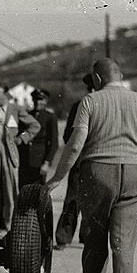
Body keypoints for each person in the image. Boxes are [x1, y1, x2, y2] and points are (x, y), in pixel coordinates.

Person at [46, 58, 137, 273]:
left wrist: (58, 177)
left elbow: (75, 145)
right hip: (133, 172)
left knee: (95, 237)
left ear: (96, 79)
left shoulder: (91, 101)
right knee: (124, 242)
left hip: (97, 173)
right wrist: (132, 163)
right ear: (121, 75)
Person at [0, 83, 40, 236]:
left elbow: (35, 125)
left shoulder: (16, 109)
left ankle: (10, 227)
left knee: (10, 190)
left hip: (9, 152)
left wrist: (22, 139)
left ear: (6, 95)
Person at [54, 74, 94, 249]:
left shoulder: (85, 105)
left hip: (91, 159)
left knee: (91, 200)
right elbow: (67, 135)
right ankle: (63, 238)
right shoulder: (79, 106)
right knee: (73, 198)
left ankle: (86, 236)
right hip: (82, 161)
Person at [19, 88, 59, 188]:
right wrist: (24, 136)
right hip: (24, 160)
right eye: (35, 99)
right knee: (23, 190)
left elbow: (54, 143)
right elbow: (22, 133)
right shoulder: (27, 115)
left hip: (39, 161)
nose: (38, 102)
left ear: (46, 101)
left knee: (37, 191)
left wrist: (47, 162)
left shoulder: (50, 117)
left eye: (41, 99)